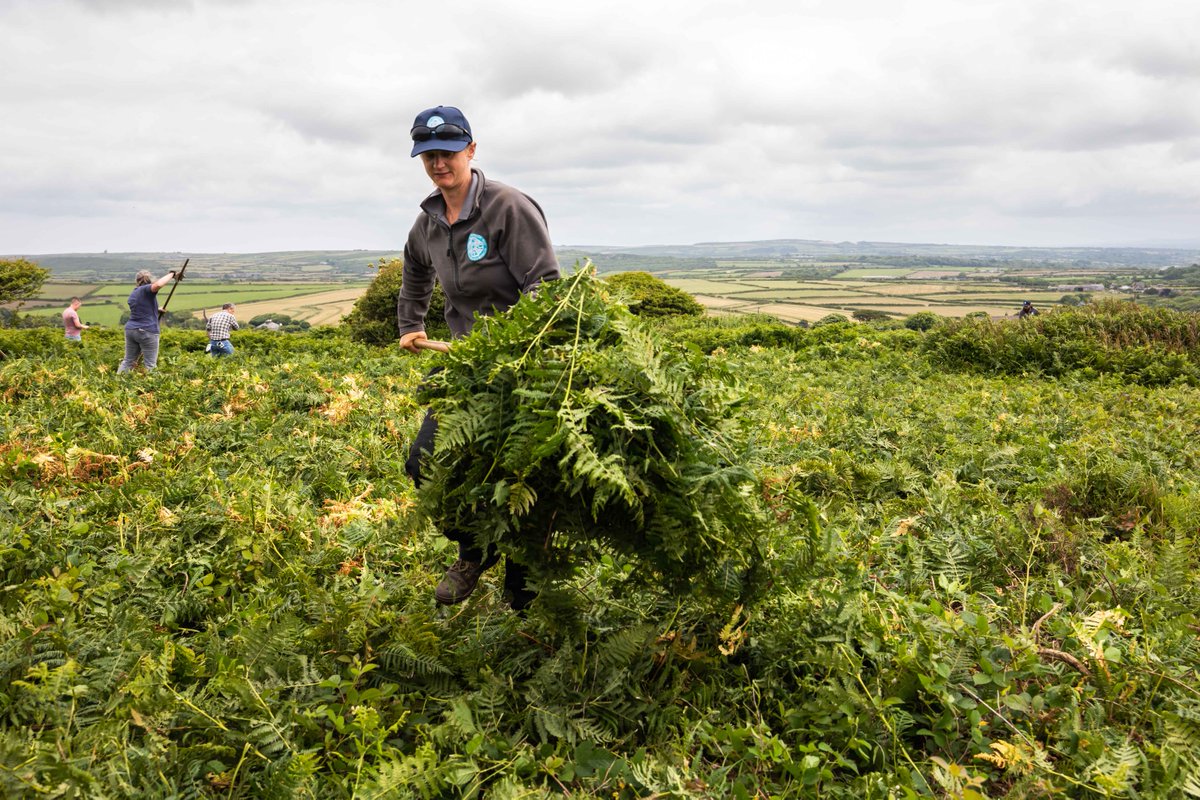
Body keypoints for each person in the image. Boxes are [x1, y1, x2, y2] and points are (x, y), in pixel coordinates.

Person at [397, 105, 561, 610]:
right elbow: (415, 271)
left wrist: (510, 344)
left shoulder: (507, 207)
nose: (438, 164)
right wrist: (412, 324)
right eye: (428, 155)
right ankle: (474, 548)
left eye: (447, 153)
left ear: (471, 149)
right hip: (462, 365)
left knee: (519, 478)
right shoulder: (428, 221)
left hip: (523, 364)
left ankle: (523, 596)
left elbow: (546, 287)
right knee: (424, 460)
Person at [117, 269, 177, 373]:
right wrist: (172, 274)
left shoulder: (134, 293)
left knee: (128, 361)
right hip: (147, 330)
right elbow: (158, 285)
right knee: (150, 364)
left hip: (131, 330)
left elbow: (140, 309)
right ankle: (149, 387)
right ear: (149, 280)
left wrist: (156, 310)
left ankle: (116, 382)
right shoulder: (146, 290)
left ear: (137, 280)